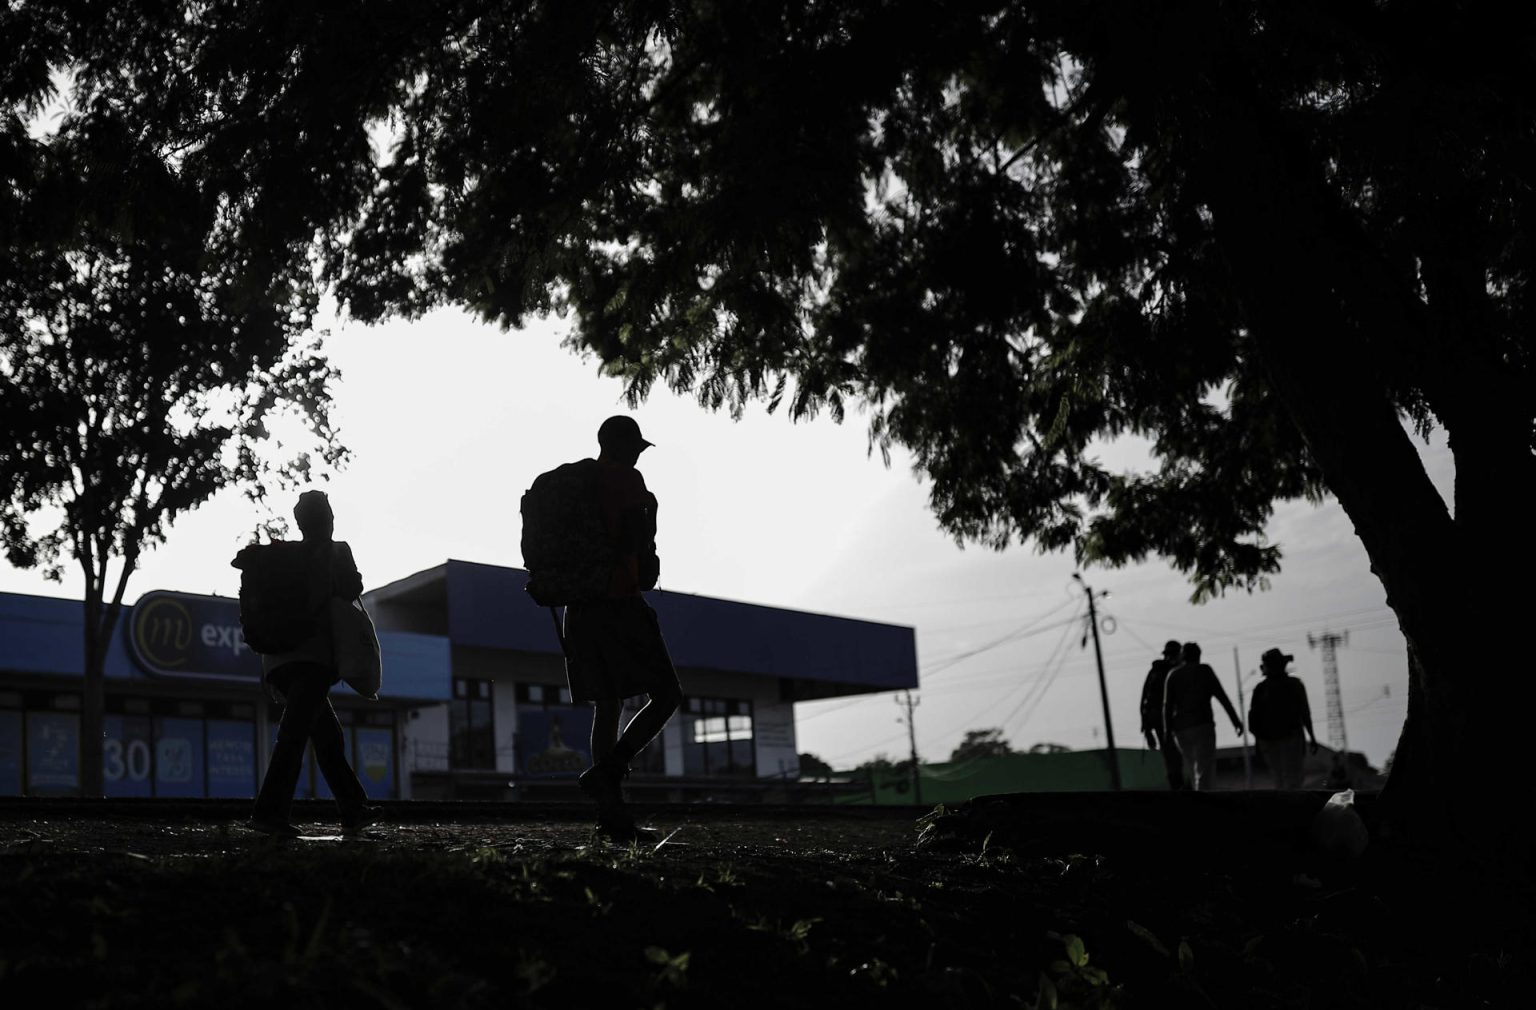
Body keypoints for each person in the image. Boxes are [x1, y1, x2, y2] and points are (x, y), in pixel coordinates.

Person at [565, 416, 683, 842]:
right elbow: (642, 558)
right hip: (619, 603)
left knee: (608, 705)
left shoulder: (577, 485)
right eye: (636, 446)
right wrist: (650, 515)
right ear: (622, 445)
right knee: (667, 694)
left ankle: (612, 818)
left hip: (579, 606)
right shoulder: (628, 480)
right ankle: (608, 772)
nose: (639, 454)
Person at [246, 491, 374, 837]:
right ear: (327, 519)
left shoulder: (277, 557)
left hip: (276, 659)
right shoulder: (335, 552)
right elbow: (352, 588)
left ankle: (353, 807)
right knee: (295, 735)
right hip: (312, 659)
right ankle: (269, 812)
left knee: (326, 734)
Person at [1162, 641, 1243, 791]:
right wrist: (1236, 721)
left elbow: (1167, 707)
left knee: (1192, 766)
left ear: (1182, 656)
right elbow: (1222, 697)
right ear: (1199, 655)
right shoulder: (1205, 671)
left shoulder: (1173, 675)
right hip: (1203, 726)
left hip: (1181, 731)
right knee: (1205, 767)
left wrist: (1167, 731)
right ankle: (1204, 799)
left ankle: (1197, 796)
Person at [1247, 647, 1318, 789]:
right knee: (1293, 779)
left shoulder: (1260, 689)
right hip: (1290, 738)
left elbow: (1253, 720)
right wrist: (1312, 737)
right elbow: (1305, 713)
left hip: (1269, 741)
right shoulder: (1294, 684)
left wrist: (1258, 745)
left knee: (1278, 779)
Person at [1139, 640, 1186, 791]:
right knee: (1178, 758)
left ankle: (1176, 786)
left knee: (1170, 758)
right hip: (1174, 721)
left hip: (1158, 722)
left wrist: (1146, 729)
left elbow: (1144, 701)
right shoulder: (1175, 672)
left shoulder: (1155, 672)